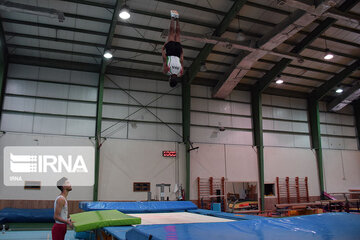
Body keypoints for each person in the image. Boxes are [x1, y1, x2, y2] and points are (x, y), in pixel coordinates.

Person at [162, 10, 184, 87]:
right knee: (171, 32)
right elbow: (164, 59)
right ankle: (172, 17)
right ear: (170, 79)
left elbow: (181, 61)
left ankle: (177, 18)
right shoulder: (166, 71)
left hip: (178, 53)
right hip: (171, 52)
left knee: (177, 34)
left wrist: (182, 52)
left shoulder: (180, 73)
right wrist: (162, 49)